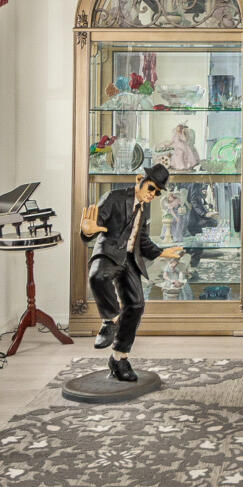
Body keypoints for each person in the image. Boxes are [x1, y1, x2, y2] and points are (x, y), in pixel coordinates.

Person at [80, 163, 184, 381]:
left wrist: (162, 252)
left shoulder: (144, 208)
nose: (153, 194)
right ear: (140, 180)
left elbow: (142, 239)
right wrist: (88, 231)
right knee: (97, 276)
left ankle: (119, 358)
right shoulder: (114, 197)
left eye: (157, 192)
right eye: (151, 188)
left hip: (129, 259)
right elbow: (94, 224)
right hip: (109, 252)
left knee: (136, 305)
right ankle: (109, 321)